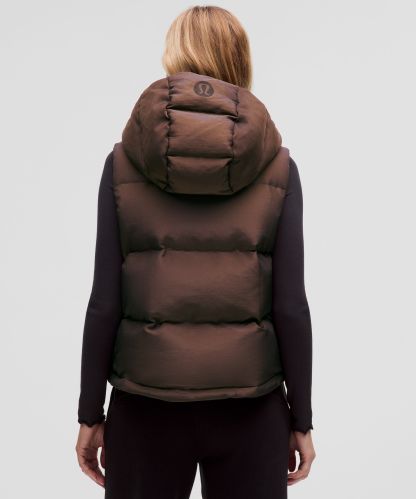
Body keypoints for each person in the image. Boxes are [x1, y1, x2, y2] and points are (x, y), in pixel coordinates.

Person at [75, 5, 316, 499]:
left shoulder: (123, 163)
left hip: (145, 405)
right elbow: (291, 305)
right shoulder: (277, 167)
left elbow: (104, 301)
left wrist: (89, 413)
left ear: (174, 56)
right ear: (240, 60)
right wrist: (302, 419)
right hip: (251, 406)